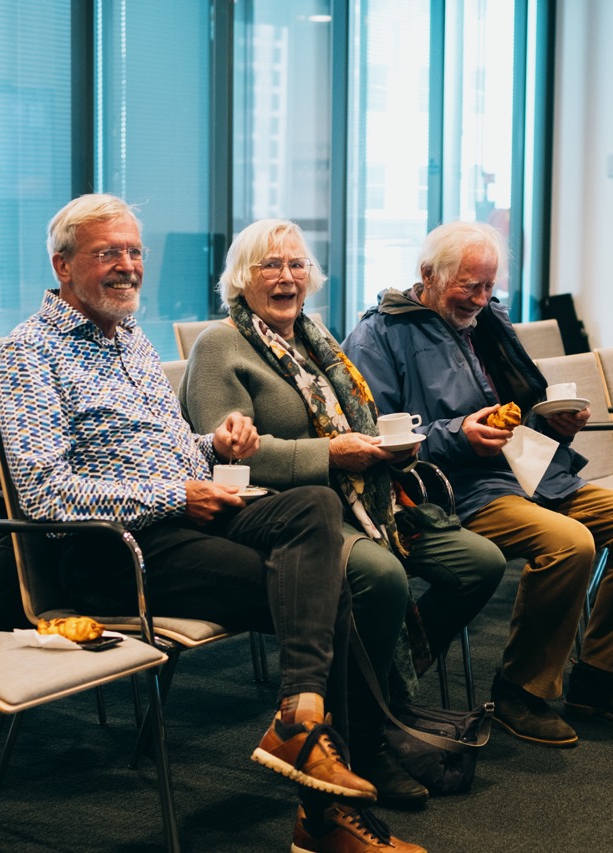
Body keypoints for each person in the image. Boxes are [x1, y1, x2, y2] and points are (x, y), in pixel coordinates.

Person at [0, 194, 424, 853]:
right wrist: (174, 495)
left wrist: (216, 446)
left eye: (135, 252)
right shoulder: (27, 355)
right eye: (109, 253)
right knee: (324, 584)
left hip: (185, 519)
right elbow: (46, 496)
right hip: (112, 551)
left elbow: (168, 450)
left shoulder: (129, 340)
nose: (128, 266)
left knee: (315, 506)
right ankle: (324, 811)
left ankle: (301, 721)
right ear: (64, 264)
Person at [180, 218, 506, 807]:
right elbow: (226, 453)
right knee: (380, 578)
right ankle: (364, 736)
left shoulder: (316, 336)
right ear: (240, 278)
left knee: (479, 562)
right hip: (287, 514)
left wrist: (384, 447)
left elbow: (356, 424)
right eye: (270, 266)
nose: (287, 277)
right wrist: (326, 453)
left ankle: (382, 690)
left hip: (366, 495)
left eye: (297, 264)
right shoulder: (219, 346)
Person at [343, 221, 613, 748]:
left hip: (532, 471)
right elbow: (378, 438)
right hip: (455, 487)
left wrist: (552, 422)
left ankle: (597, 677)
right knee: (569, 544)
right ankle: (521, 690)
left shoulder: (488, 321)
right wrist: (459, 435)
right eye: (468, 286)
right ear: (428, 275)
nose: (479, 298)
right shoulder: (378, 336)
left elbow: (520, 404)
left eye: (488, 286)